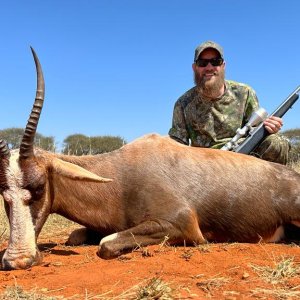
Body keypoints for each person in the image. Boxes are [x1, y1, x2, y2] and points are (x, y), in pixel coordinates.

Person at [168, 40, 290, 164]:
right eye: (203, 63)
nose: (209, 67)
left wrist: (270, 128)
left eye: (215, 62)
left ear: (223, 65)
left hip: (242, 156)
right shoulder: (183, 103)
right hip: (204, 164)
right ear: (195, 68)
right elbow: (177, 146)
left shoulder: (245, 92)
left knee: (276, 143)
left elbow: (256, 132)